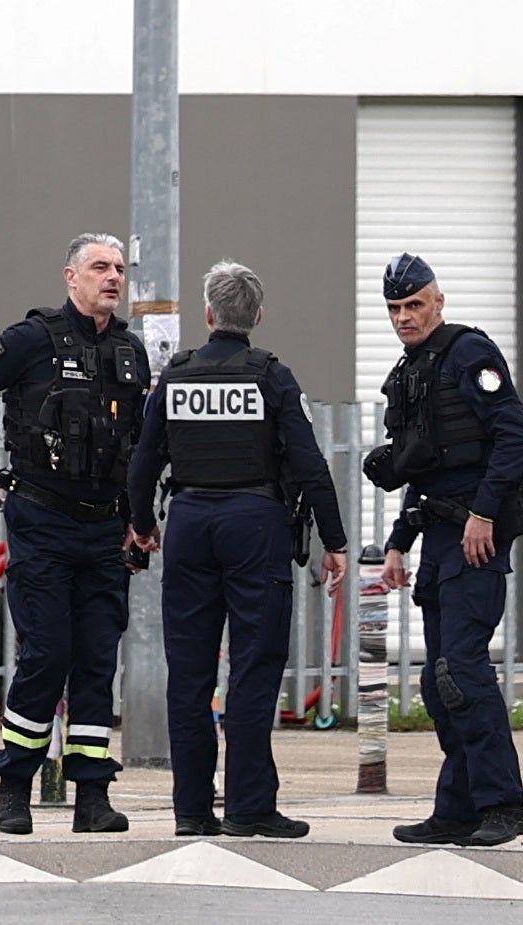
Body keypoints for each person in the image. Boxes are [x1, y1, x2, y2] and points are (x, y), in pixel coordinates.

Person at [127, 260, 350, 838]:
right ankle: (250, 807)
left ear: (208, 315)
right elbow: (309, 463)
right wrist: (336, 541)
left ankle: (192, 811)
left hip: (191, 521)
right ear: (258, 316)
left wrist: (142, 523)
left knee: (190, 673)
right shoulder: (272, 377)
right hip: (255, 524)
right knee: (253, 668)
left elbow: (144, 461)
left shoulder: (175, 377)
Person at [0, 232, 150, 836]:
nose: (112, 277)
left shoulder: (132, 352)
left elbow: (142, 447)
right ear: (70, 277)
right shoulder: (32, 340)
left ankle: (92, 797)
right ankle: (15, 787)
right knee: (47, 654)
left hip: (106, 529)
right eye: (99, 268)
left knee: (95, 660)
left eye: (117, 268)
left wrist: (141, 520)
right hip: (42, 521)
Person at [369, 253, 523, 848]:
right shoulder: (416, 368)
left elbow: (515, 438)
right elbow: (427, 462)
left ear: (438, 301)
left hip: (475, 538)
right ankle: (457, 808)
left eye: (414, 305)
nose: (404, 317)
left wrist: (484, 511)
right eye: (394, 308)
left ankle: (503, 805)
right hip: (439, 539)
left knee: (461, 671)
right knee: (442, 684)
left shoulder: (468, 353)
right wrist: (398, 542)